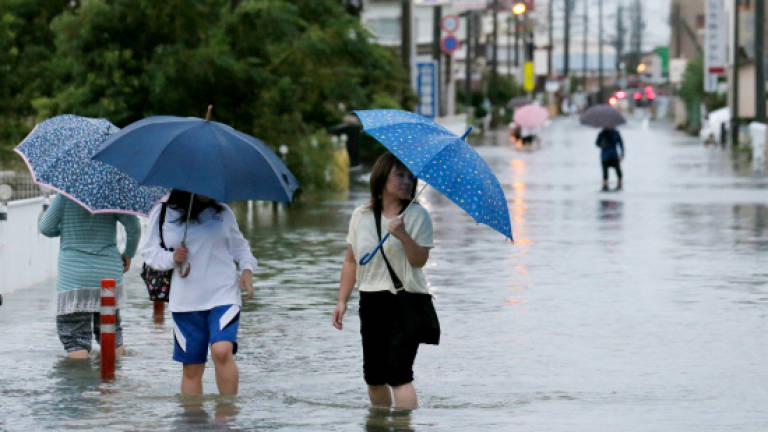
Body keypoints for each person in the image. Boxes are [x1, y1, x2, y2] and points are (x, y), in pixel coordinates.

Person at [332, 151, 435, 410]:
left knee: (399, 376)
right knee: (374, 377)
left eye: (410, 176)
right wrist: (342, 300)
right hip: (371, 300)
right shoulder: (361, 216)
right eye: (399, 175)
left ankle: (403, 427)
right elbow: (351, 261)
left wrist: (403, 235)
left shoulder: (418, 216)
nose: (407, 181)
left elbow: (419, 260)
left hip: (406, 300)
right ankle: (379, 425)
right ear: (381, 178)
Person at [142, 189, 256, 396]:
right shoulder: (163, 212)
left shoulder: (223, 212)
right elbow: (149, 253)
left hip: (224, 294)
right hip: (185, 302)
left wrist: (247, 269)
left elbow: (240, 247)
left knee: (221, 351)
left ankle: (227, 419)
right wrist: (172, 258)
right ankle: (194, 422)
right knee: (192, 368)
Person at [38, 193, 141, 359]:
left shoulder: (65, 196)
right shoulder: (114, 196)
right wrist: (128, 254)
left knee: (74, 337)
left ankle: (81, 382)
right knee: (111, 335)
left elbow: (45, 227)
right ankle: (113, 383)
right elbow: (134, 228)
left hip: (74, 278)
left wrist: (64, 228)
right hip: (108, 274)